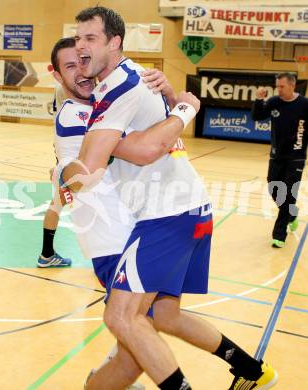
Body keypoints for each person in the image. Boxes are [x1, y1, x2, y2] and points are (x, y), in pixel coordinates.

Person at [60, 7, 277, 390]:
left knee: (122, 318)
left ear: (115, 42)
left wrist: (63, 175)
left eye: (89, 39)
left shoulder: (120, 86)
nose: (81, 50)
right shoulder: (132, 78)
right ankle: (252, 370)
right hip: (189, 207)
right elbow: (150, 138)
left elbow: (124, 156)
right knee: (165, 316)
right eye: (77, 41)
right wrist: (177, 101)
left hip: (167, 212)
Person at [50, 36, 187, 390]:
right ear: (56, 74)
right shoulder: (76, 114)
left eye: (83, 61)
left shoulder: (106, 101)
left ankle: (114, 378)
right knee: (135, 318)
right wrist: (63, 180)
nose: (81, 70)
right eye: (71, 65)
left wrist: (167, 92)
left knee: (137, 317)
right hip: (109, 236)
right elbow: (131, 151)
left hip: (135, 226)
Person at [252, 72, 308, 248]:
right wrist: (259, 100)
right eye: (277, 86)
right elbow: (257, 116)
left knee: (289, 192)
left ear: (292, 85)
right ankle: (292, 214)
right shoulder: (275, 102)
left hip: (296, 157)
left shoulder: (305, 105)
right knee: (274, 187)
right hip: (276, 155)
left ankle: (279, 235)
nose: (279, 90)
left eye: (282, 86)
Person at [37, 86, 72, 268]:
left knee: (58, 200)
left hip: (64, 147)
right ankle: (47, 253)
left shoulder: (65, 82)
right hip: (73, 148)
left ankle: (47, 253)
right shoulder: (77, 82)